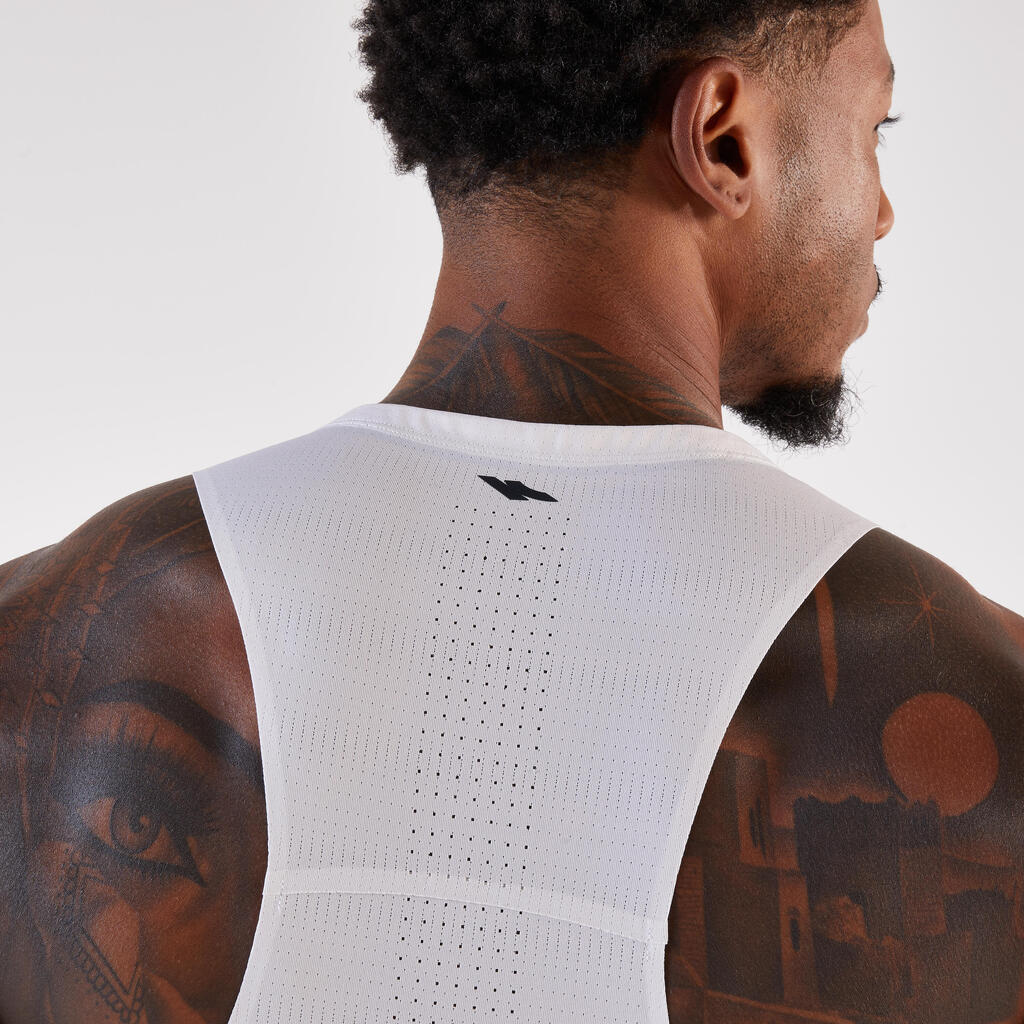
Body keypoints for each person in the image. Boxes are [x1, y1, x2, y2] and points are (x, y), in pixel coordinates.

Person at [1, 0, 1022, 1020]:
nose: (882, 212)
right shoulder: (986, 691)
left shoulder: (42, 636)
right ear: (722, 138)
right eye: (874, 128)